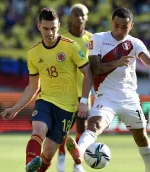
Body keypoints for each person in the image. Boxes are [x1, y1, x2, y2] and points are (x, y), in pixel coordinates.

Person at [66, 7, 150, 172]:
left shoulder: (135, 43)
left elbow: (149, 64)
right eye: (116, 25)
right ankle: (78, 157)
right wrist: (116, 63)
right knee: (94, 125)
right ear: (111, 22)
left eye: (124, 27)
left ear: (131, 26)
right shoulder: (98, 39)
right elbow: (94, 68)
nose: (119, 30)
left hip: (129, 97)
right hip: (106, 96)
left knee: (140, 137)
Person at [0, 7, 92, 172]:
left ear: (58, 26)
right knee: (39, 130)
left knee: (48, 153)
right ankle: (30, 164)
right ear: (38, 26)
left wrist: (84, 101)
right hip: (45, 100)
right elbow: (33, 86)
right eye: (46, 29)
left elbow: (87, 73)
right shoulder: (33, 53)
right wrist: (15, 109)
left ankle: (40, 163)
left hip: (67, 107)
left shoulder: (70, 47)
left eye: (53, 28)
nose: (49, 33)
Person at [55, 4, 92, 172]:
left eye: (82, 14)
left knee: (82, 129)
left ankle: (77, 163)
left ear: (87, 17)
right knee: (63, 129)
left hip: (84, 92)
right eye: (75, 14)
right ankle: (61, 157)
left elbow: (94, 67)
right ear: (70, 17)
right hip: (66, 92)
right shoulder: (62, 39)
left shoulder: (92, 39)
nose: (79, 17)